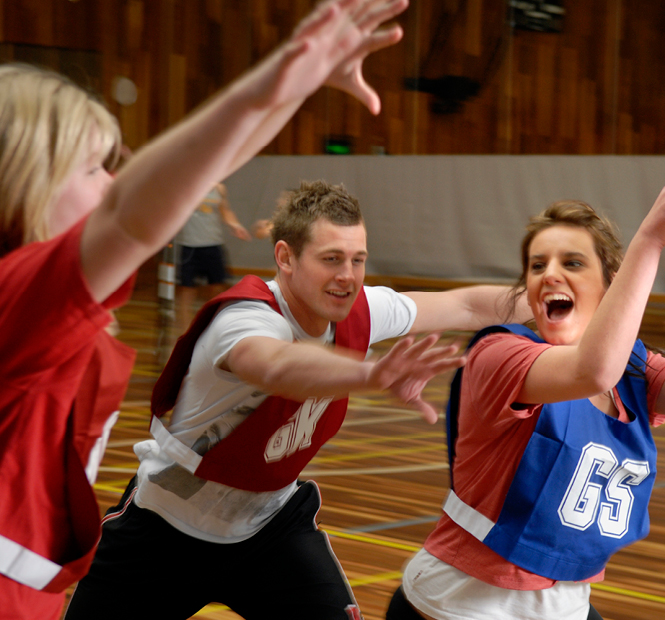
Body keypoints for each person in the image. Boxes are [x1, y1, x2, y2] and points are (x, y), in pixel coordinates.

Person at [0, 0, 416, 618]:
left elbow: (195, 181)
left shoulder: (37, 305)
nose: (113, 184)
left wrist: (290, 83)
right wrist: (277, 76)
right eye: (94, 167)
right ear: (24, 181)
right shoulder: (20, 297)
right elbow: (133, 213)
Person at [64, 176, 533, 620]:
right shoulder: (246, 318)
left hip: (269, 532)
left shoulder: (362, 309)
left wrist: (559, 303)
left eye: (358, 259)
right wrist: (371, 373)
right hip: (163, 535)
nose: (348, 276)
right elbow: (276, 366)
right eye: (331, 259)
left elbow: (468, 305)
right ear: (285, 257)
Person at [385, 145, 665, 620]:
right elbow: (591, 371)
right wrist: (651, 239)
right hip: (461, 602)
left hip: (565, 605)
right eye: (537, 265)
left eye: (572, 263)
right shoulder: (499, 355)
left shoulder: (635, 371)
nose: (549, 274)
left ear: (610, 284)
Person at [177, 182, 252, 330]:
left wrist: (235, 225)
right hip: (190, 246)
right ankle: (185, 331)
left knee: (217, 288)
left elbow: (225, 211)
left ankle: (213, 327)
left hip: (213, 244)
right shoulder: (186, 185)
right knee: (187, 290)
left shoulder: (219, 188)